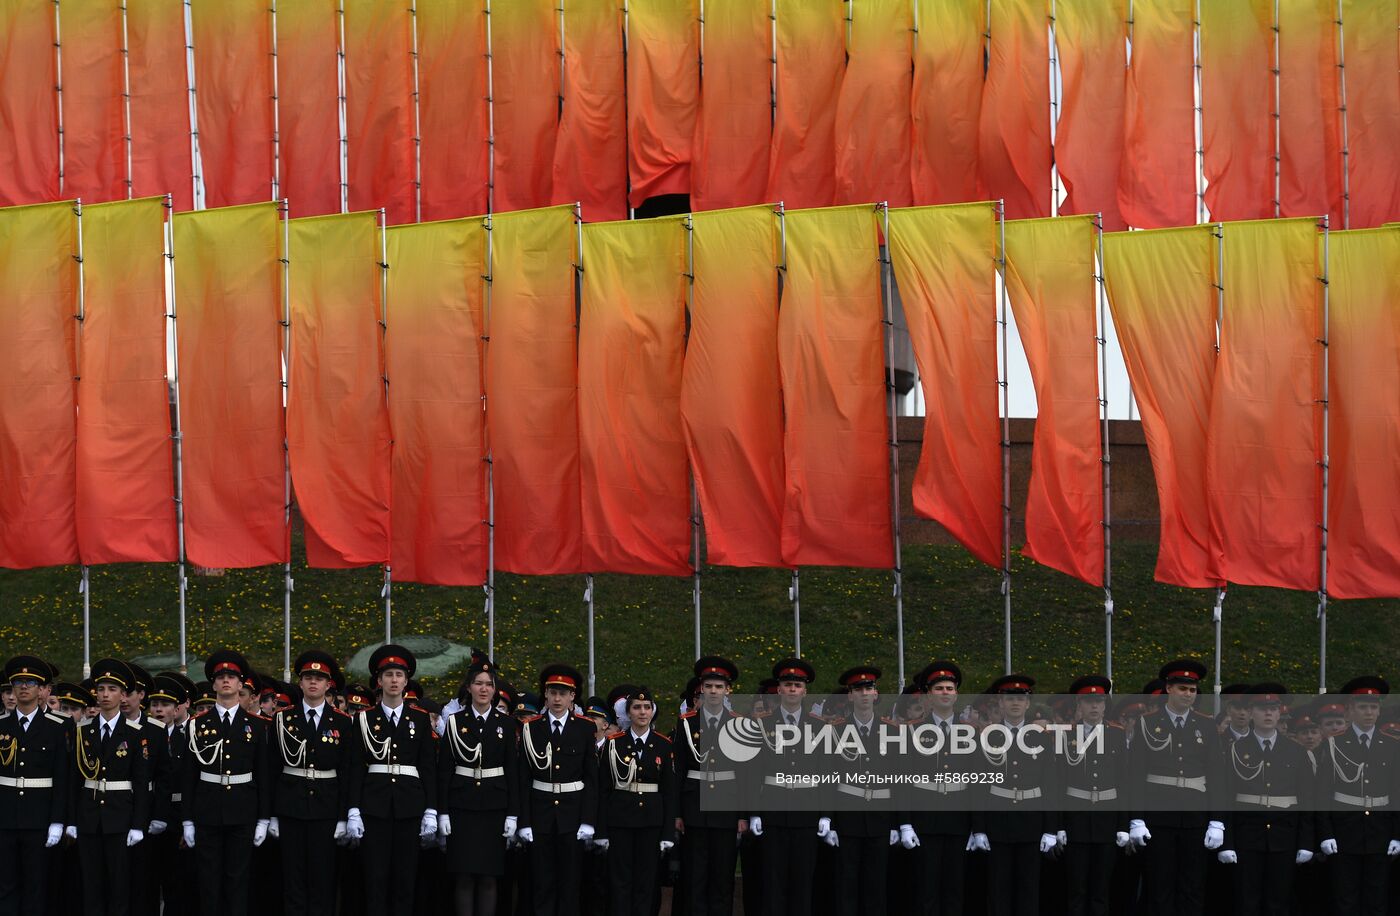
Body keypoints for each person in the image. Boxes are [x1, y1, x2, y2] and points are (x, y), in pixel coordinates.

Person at [346, 643, 439, 916]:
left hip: (409, 807)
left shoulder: (419, 719)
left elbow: (428, 768)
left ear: (406, 680)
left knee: (405, 879)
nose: (394, 680)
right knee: (375, 879)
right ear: (379, 681)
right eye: (388, 675)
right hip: (374, 807)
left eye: (399, 675)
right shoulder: (364, 719)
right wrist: (353, 809)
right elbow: (355, 767)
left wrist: (431, 810)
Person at [1125, 659, 1223, 916]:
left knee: (1192, 887)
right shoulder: (1147, 723)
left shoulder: (1206, 724)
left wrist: (1217, 821)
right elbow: (1136, 773)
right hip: (1158, 816)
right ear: (1168, 689)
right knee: (1160, 887)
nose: (1188, 694)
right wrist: (1136, 818)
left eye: (1192, 690)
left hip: (1195, 816)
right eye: (1182, 688)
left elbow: (1216, 774)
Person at [182, 648, 272, 916]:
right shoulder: (198, 724)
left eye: (231, 676)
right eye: (220, 676)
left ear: (240, 683)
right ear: (213, 683)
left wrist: (264, 818)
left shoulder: (257, 725)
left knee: (238, 880)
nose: (225, 681)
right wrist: (187, 819)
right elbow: (189, 775)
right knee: (209, 881)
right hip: (208, 810)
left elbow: (263, 774)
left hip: (243, 810)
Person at [1216, 683, 1315, 916]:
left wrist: (1306, 841)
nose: (1268, 713)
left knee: (1279, 901)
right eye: (1261, 708)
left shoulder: (1296, 751)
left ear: (1281, 712)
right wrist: (1227, 842)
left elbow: (1307, 800)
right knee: (1246, 900)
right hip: (1246, 836)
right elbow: (1225, 797)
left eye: (1273, 708)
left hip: (1285, 836)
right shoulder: (1234, 750)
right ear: (1250, 713)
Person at [270, 649, 353, 916]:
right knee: (292, 879)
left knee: (323, 879)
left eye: (319, 678)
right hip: (291, 806)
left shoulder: (343, 721)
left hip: (326, 809)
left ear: (329, 685)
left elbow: (347, 772)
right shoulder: (283, 719)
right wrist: (271, 815)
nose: (313, 682)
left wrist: (343, 816)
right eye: (308, 677)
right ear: (301, 683)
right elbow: (272, 768)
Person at [439, 657, 520, 916]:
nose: (483, 689)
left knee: (488, 877)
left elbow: (513, 771)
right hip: (462, 805)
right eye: (478, 684)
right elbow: (444, 770)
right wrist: (442, 812)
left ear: (494, 690)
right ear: (469, 688)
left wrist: (513, 813)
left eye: (488, 684)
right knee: (463, 877)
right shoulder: (454, 722)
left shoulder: (506, 724)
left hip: (494, 806)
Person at [517, 664, 598, 916]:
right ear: (545, 694)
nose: (557, 698)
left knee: (570, 884)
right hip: (540, 815)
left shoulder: (585, 728)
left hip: (572, 817)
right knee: (543, 883)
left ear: (572, 696)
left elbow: (591, 779)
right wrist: (525, 821)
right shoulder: (531, 727)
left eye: (563, 693)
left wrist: (587, 820)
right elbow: (523, 778)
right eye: (552, 692)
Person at [73, 658, 151, 916]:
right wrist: (71, 819)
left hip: (120, 817)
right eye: (101, 689)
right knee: (91, 885)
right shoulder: (83, 731)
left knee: (119, 886)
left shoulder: (135, 733)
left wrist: (139, 824)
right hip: (89, 817)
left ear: (123, 695)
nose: (105, 695)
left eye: (112, 690)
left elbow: (141, 782)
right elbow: (75, 779)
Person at [977, 673, 1057, 916]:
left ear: (1028, 703)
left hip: (1031, 821)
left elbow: (1050, 784)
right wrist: (979, 828)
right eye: (1009, 698)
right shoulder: (987, 737)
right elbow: (979, 785)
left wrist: (1050, 828)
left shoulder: (1041, 738)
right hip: (997, 821)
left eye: (1020, 698)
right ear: (1000, 703)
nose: (1015, 703)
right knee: (997, 890)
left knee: (1028, 889)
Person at [826, 666, 903, 916]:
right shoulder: (835, 731)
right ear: (850, 696)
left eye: (868, 689)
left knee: (876, 887)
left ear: (876, 693)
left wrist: (897, 823)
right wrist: (830, 819)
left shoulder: (892, 731)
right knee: (846, 886)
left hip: (880, 820)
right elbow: (829, 778)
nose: (864, 694)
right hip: (848, 819)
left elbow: (898, 780)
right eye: (858, 690)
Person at [749, 658, 824, 916]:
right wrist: (754, 811)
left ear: (805, 691)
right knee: (773, 882)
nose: (792, 689)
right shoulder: (762, 724)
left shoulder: (819, 726)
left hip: (806, 813)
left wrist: (825, 813)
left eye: (797, 685)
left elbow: (825, 772)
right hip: (773, 811)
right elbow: (753, 773)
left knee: (802, 883)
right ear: (779, 690)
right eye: (788, 684)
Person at [0, 655, 73, 916]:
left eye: (30, 682)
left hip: (40, 818)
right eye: (17, 682)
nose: (23, 687)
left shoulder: (59, 726)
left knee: (36, 886)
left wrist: (58, 820)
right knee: (6, 885)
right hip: (6, 817)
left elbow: (64, 777)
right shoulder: (2, 726)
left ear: (41, 689)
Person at [1317, 675, 1397, 916]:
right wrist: (1326, 833)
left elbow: (1396, 792)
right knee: (1345, 897)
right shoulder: (1333, 744)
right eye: (1363, 706)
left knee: (1376, 897)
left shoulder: (1392, 744)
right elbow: (1322, 793)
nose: (1369, 712)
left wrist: (1397, 834)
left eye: (1373, 706)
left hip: (1380, 830)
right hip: (1344, 830)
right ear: (1350, 710)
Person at [673, 657, 747, 916]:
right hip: (694, 808)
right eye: (709, 686)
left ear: (728, 690)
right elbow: (678, 770)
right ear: (701, 689)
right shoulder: (686, 723)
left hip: (726, 810)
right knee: (695, 878)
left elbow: (745, 774)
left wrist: (742, 815)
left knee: (722, 879)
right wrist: (678, 812)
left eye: (719, 687)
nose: (713, 691)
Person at [595, 687, 677, 916]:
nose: (642, 712)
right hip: (620, 820)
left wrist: (668, 833)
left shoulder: (663, 744)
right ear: (628, 713)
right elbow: (603, 790)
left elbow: (669, 792)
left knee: (647, 882)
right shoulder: (613, 743)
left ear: (653, 712)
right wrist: (601, 830)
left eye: (647, 707)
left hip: (651, 822)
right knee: (620, 881)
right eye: (637, 708)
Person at [1058, 674, 1128, 916]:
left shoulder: (1116, 735)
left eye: (1099, 701)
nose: (1095, 706)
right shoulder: (1065, 735)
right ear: (1079, 705)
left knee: (1101, 890)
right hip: (1075, 819)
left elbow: (1123, 781)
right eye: (1089, 702)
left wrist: (1123, 824)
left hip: (1106, 820)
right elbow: (1058, 781)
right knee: (1076, 890)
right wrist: (1059, 824)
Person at [145, 674, 192, 916]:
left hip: (176, 816)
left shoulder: (186, 738)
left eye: (165, 705)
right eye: (154, 704)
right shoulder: (142, 737)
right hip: (149, 815)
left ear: (176, 709)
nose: (159, 710)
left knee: (177, 883)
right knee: (148, 882)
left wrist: (187, 822)